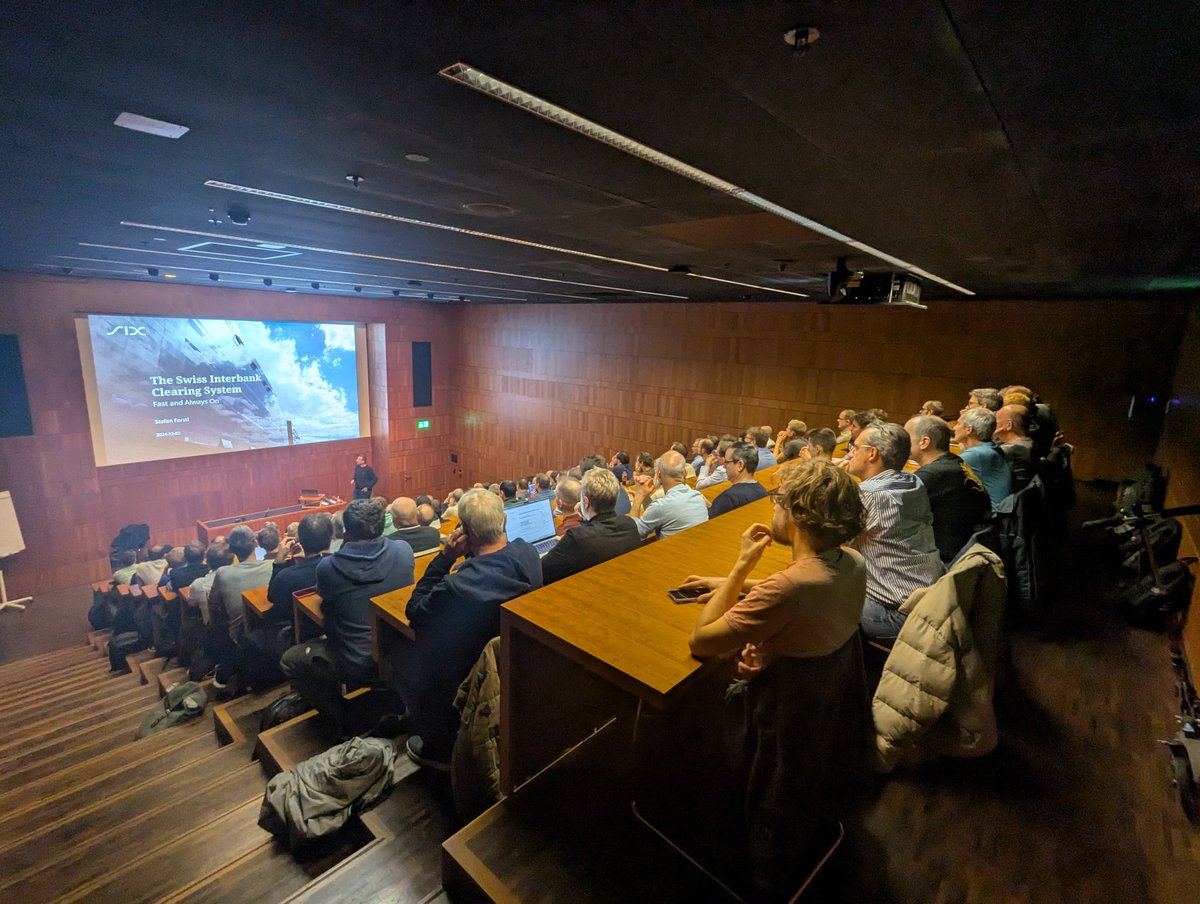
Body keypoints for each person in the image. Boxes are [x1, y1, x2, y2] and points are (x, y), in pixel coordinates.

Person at [683, 460, 872, 896]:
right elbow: (799, 593)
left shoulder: (788, 589)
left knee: (678, 693)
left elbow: (702, 640)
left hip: (773, 719)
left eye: (777, 501)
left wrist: (739, 570)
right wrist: (749, 592)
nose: (774, 509)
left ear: (797, 514)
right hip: (814, 707)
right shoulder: (853, 562)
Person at [404, 489, 542, 768]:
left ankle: (438, 744)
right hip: (516, 664)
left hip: (468, 680)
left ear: (463, 531)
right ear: (504, 520)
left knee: (407, 649)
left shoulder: (458, 586)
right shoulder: (528, 552)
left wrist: (446, 557)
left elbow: (415, 611)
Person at [281, 498, 414, 729]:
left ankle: (342, 719)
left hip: (356, 663)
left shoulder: (328, 568)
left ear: (345, 532)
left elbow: (327, 607)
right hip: (400, 655)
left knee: (290, 659)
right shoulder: (404, 550)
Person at [846, 422, 944, 640]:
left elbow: (831, 541)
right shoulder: (913, 480)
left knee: (818, 595)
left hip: (895, 614)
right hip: (931, 599)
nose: (850, 453)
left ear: (872, 453)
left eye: (854, 446)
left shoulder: (868, 495)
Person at [905, 415, 991, 563]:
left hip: (947, 562)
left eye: (906, 437)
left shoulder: (933, 474)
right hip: (969, 552)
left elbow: (890, 509)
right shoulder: (954, 463)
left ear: (924, 442)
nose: (901, 442)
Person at [542, 468, 642, 585]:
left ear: (585, 501)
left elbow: (542, 571)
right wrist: (585, 516)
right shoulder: (630, 525)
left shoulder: (576, 538)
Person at [630, 450, 708, 539]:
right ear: (685, 473)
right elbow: (655, 514)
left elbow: (634, 533)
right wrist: (645, 496)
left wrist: (638, 497)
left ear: (658, 474)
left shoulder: (661, 506)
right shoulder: (698, 497)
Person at [953, 407, 1013, 508]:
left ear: (969, 430)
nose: (954, 428)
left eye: (958, 424)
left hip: (994, 516)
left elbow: (941, 473)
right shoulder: (990, 447)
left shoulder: (976, 455)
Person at [709, 442, 768, 518]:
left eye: (726, 462)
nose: (724, 466)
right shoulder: (762, 491)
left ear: (740, 465)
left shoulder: (729, 498)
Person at [993, 403, 1037, 491]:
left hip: (1011, 500)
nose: (992, 425)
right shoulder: (1029, 442)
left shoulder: (1012, 449)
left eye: (995, 421)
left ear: (1009, 425)